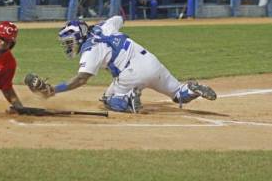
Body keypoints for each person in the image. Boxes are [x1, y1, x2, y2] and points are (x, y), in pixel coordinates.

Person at [26, 16, 217, 113]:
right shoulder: (106, 26)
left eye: (70, 40)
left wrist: (53, 90)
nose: (69, 45)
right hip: (152, 62)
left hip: (131, 73)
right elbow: (119, 17)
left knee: (108, 100)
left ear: (79, 37)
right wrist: (101, 25)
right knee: (178, 94)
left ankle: (128, 99)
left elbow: (81, 79)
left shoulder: (90, 49)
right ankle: (190, 88)